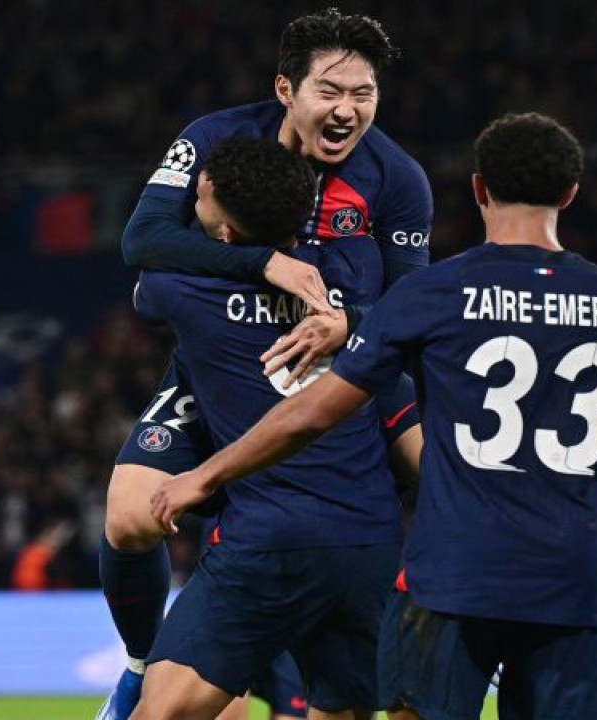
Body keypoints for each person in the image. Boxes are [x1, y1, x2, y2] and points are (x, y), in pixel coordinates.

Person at [150, 112, 597, 720]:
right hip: (573, 577)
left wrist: (205, 476)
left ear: (479, 188)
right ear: (570, 192)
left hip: (452, 578)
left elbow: (313, 414)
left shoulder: (431, 294)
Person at [98, 6, 431, 719]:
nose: (347, 111)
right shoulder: (215, 140)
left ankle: (457, 628)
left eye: (363, 94)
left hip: (347, 369)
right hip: (220, 365)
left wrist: (350, 324)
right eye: (330, 92)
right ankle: (136, 665)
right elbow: (143, 240)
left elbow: (415, 307)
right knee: (129, 520)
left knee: (441, 474)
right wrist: (264, 262)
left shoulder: (396, 179)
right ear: (286, 90)